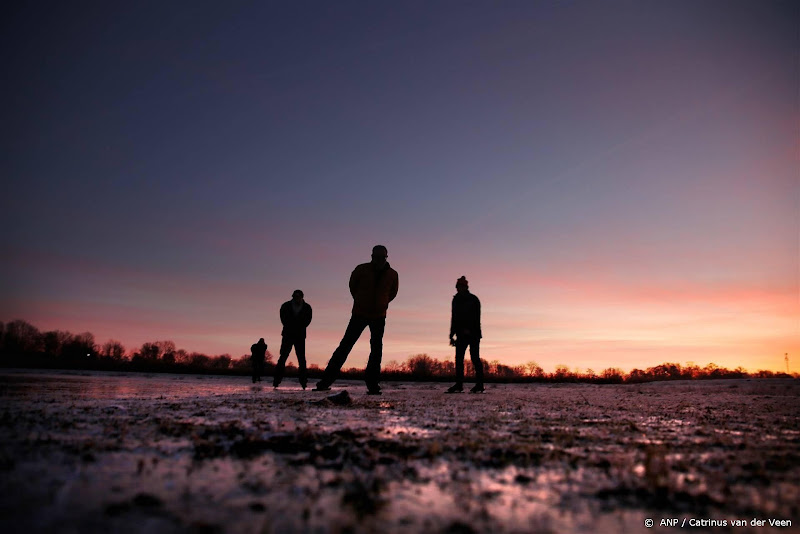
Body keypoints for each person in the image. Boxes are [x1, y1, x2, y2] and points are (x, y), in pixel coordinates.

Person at [314, 245, 399, 395]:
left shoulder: (392, 274)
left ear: (386, 257)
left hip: (379, 316)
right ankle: (325, 381)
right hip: (359, 313)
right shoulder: (361, 269)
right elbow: (352, 286)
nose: (378, 260)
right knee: (345, 346)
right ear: (372, 256)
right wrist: (361, 301)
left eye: (381, 257)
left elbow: (392, 293)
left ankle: (373, 384)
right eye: (376, 257)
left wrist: (382, 303)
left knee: (376, 350)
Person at [446, 276, 484, 393]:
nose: (459, 289)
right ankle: (459, 384)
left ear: (465, 287)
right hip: (460, 334)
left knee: (475, 358)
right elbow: (454, 318)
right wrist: (451, 335)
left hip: (473, 334)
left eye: (461, 286)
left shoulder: (473, 300)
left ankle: (479, 385)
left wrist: (470, 330)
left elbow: (476, 318)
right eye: (458, 287)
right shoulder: (456, 300)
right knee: (459, 359)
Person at [274, 289, 312, 389]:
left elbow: (308, 321)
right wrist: (293, 326)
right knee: (283, 357)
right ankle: (276, 381)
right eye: (295, 296)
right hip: (288, 334)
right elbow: (283, 319)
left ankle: (303, 382)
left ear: (302, 297)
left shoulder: (307, 307)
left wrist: (297, 326)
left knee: (301, 359)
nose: (297, 298)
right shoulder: (286, 306)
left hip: (299, 335)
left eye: (298, 296)